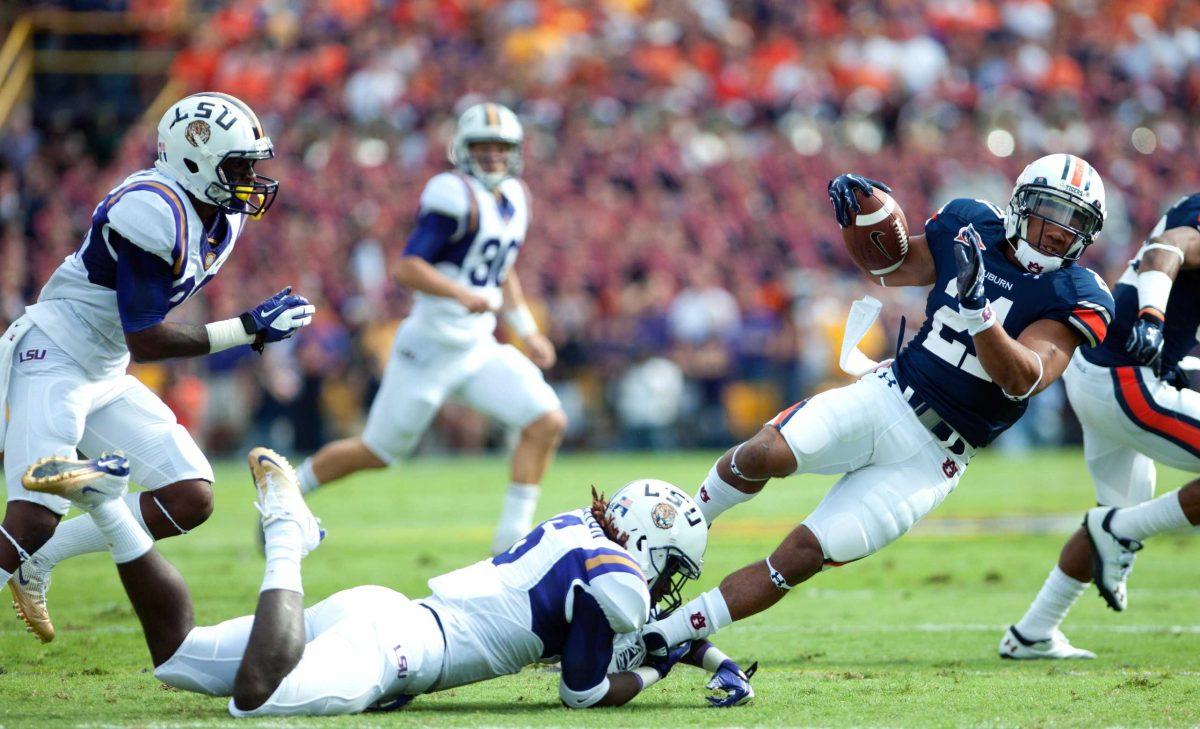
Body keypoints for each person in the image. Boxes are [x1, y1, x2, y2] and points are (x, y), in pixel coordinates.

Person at [638, 154, 1115, 655]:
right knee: (761, 453)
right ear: (1021, 202)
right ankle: (669, 545)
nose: (1060, 231)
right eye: (1050, 210)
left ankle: (664, 635)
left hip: (934, 459)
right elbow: (890, 267)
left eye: (1076, 221)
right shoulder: (969, 223)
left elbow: (1024, 379)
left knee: (801, 555)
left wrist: (979, 312)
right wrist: (861, 216)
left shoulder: (1077, 292)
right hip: (888, 396)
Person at [21, 448, 755, 716]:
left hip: (388, 610)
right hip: (399, 649)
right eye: (675, 567)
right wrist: (661, 670)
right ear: (656, 546)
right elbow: (586, 689)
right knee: (256, 695)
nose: (669, 583)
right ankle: (290, 534)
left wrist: (706, 654)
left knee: (179, 658)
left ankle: (110, 505)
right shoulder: (619, 576)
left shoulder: (581, 529)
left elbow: (638, 630)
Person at [3, 93, 315, 643]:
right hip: (54, 353)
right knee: (33, 513)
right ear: (195, 159)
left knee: (189, 494)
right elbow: (145, 337)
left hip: (103, 368)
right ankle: (33, 547)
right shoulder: (151, 209)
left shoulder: (220, 215)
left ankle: (38, 561)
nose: (250, 178)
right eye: (237, 165)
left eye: (251, 165)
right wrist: (248, 328)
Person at [295, 102, 567, 555]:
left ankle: (511, 542)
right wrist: (458, 293)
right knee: (378, 452)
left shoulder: (516, 197)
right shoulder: (451, 192)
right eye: (483, 147)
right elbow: (407, 268)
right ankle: (288, 490)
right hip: (429, 350)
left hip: (477, 347)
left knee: (546, 420)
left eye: (501, 148)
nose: (493, 156)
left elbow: (503, 269)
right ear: (463, 149)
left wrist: (526, 328)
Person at [1002, 192, 1200, 658]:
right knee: (1116, 524)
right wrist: (1153, 316)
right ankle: (1121, 527)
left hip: (1104, 372)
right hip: (1127, 374)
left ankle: (1032, 633)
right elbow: (1167, 247)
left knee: (1112, 513)